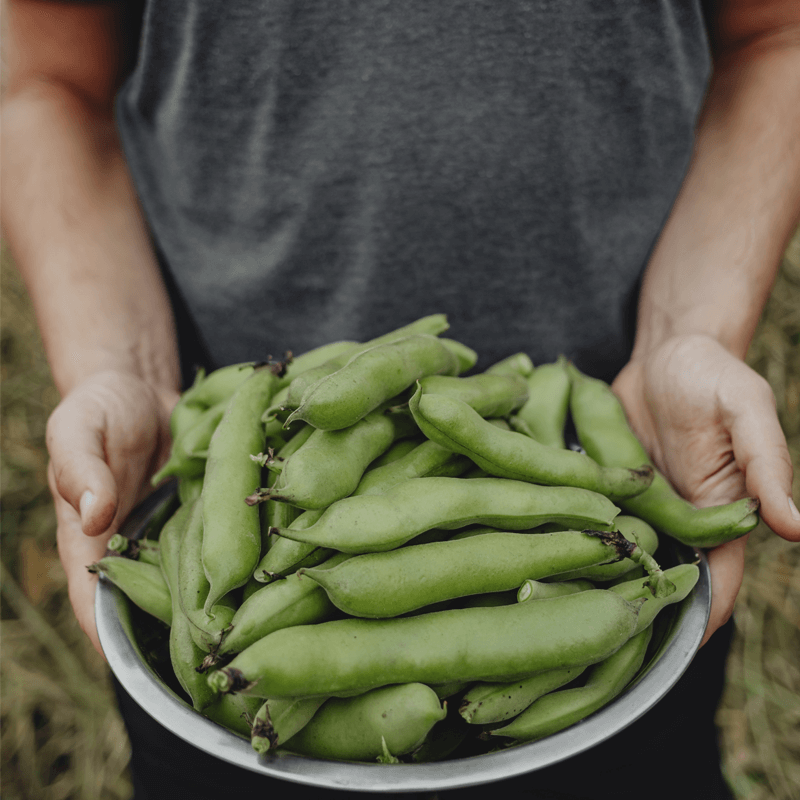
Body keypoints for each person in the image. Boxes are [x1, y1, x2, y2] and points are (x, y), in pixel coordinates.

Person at [3, 0, 799, 797]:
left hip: (620, 444)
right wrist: (125, 363)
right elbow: (47, 79)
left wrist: (683, 329)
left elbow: (775, 34)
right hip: (216, 460)